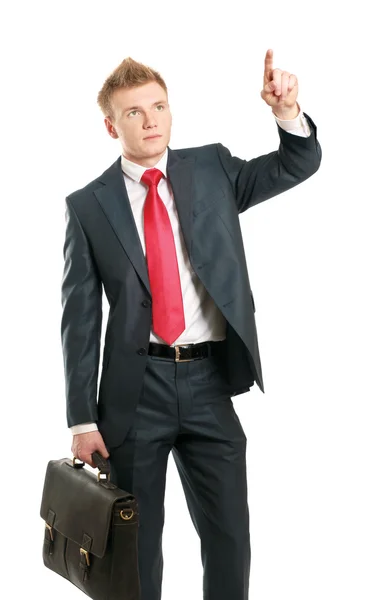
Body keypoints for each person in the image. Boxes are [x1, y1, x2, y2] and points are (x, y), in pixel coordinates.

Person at [61, 49, 322, 599]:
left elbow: (296, 165)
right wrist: (82, 419)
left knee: (230, 537)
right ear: (112, 125)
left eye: (159, 106)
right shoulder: (88, 205)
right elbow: (80, 318)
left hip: (209, 383)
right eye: (134, 112)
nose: (151, 119)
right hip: (135, 394)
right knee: (136, 548)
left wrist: (288, 112)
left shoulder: (212, 168)